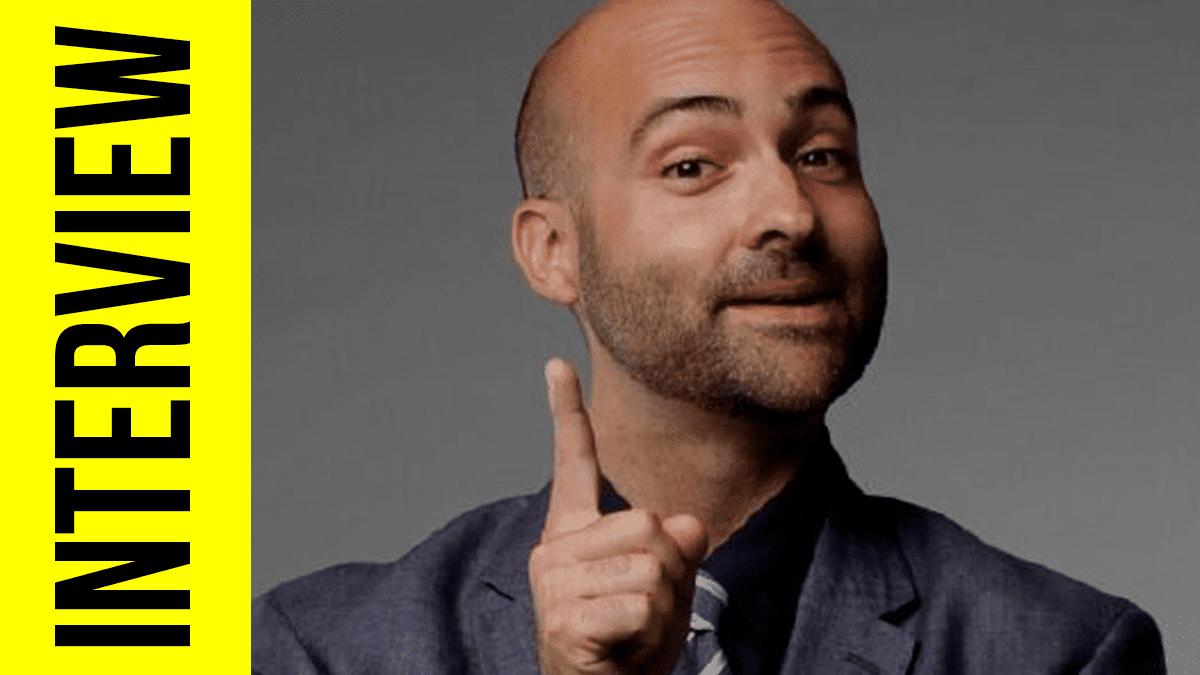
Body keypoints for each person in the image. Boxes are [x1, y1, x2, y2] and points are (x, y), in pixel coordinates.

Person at [252, 0, 1166, 673]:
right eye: (693, 165)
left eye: (821, 155)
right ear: (553, 250)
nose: (791, 213)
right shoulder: (324, 648)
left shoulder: (1062, 650)